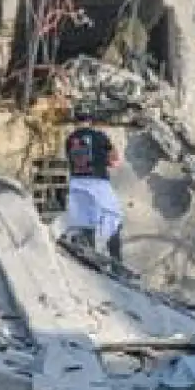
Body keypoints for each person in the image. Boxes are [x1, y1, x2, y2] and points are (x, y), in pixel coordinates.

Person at [62, 111, 126, 272]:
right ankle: (116, 262)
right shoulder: (100, 136)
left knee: (85, 221)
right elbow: (114, 160)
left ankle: (88, 254)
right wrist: (108, 159)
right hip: (98, 181)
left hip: (76, 182)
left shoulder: (70, 139)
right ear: (90, 121)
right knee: (113, 218)